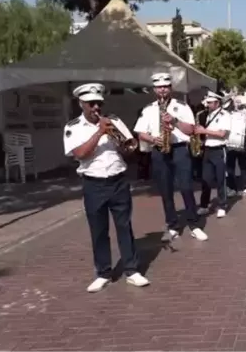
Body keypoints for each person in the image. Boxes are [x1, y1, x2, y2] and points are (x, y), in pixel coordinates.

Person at [64, 83, 150, 293]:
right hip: (94, 183)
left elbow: (130, 149)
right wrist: (100, 133)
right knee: (99, 230)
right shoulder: (73, 127)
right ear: (81, 104)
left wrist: (122, 143)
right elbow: (80, 154)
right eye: (91, 104)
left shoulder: (115, 120)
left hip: (118, 180)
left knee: (124, 226)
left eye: (99, 103)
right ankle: (103, 273)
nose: (96, 108)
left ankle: (131, 270)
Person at [134, 73, 204, 242]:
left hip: (180, 149)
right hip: (159, 149)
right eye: (159, 87)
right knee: (165, 190)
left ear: (171, 88)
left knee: (186, 187)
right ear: (154, 89)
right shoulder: (149, 109)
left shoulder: (182, 106)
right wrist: (153, 139)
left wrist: (174, 121)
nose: (162, 89)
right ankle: (172, 225)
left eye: (165, 86)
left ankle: (194, 224)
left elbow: (191, 130)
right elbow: (140, 132)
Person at [195, 92, 231, 218]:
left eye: (210, 102)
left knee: (221, 179)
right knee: (206, 179)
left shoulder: (225, 115)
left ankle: (222, 205)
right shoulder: (207, 115)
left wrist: (203, 130)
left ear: (217, 103)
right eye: (207, 102)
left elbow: (222, 134)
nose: (207, 105)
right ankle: (204, 205)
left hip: (219, 150)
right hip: (208, 149)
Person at [226, 95, 246, 197]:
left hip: (243, 143)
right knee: (230, 167)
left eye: (239, 102)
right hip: (230, 143)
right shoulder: (228, 113)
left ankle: (244, 187)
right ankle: (231, 187)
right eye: (236, 102)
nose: (238, 104)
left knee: (244, 167)